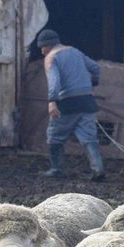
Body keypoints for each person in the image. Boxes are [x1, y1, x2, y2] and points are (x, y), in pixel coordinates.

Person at [38, 28, 106, 181]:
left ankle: (56, 169)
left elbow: (54, 81)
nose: (42, 52)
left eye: (42, 48)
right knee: (89, 137)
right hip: (87, 101)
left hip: (67, 102)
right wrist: (94, 81)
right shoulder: (75, 52)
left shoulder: (51, 58)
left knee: (55, 136)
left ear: (47, 46)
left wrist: (52, 101)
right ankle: (98, 169)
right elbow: (95, 68)